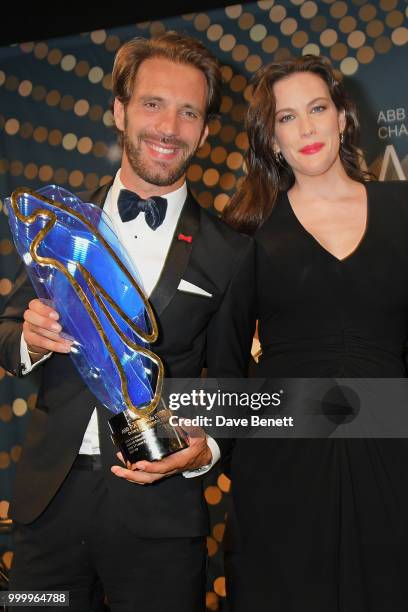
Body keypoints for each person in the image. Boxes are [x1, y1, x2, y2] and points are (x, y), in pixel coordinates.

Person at [0, 32, 255, 612]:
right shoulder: (60, 228)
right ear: (119, 111)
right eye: (152, 104)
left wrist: (206, 448)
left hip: (160, 520)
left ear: (206, 130)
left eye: (188, 111)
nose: (169, 126)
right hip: (48, 512)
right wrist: (31, 340)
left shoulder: (231, 254)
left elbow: (236, 387)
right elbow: (7, 333)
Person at [223, 54, 408, 612]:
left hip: (394, 456)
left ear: (343, 117)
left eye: (317, 108)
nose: (305, 128)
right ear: (271, 138)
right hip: (282, 465)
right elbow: (228, 361)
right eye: (286, 117)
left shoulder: (403, 209)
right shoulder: (248, 226)